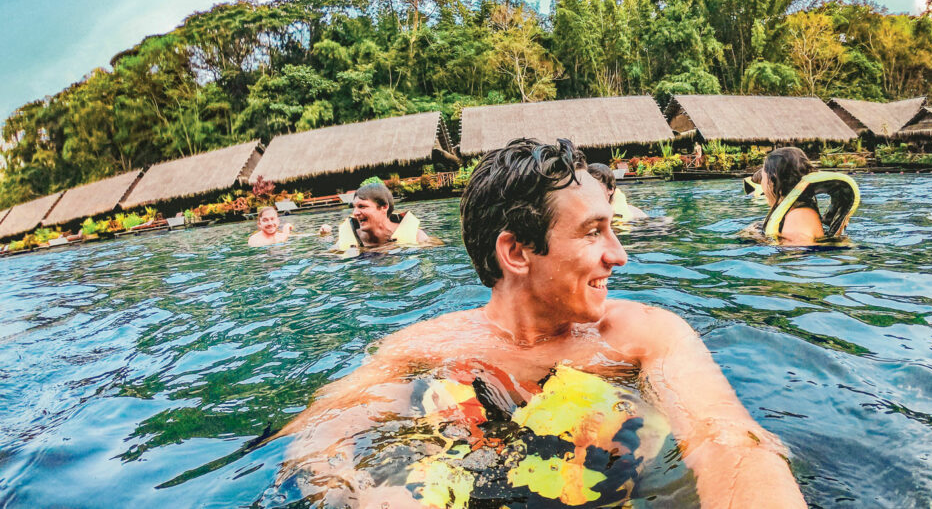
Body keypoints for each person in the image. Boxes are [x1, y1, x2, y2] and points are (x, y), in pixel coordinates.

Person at [276, 138, 806, 508]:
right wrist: (354, 490)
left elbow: (728, 441)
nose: (618, 256)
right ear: (518, 252)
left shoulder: (647, 335)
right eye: (594, 232)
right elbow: (315, 437)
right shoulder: (424, 346)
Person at [760, 147, 859, 245]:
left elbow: (797, 254)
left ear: (773, 181)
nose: (761, 183)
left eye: (763, 177)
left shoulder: (798, 216)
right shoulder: (796, 212)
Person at [319, 183, 429, 248]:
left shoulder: (418, 237)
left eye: (362, 206)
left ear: (384, 207)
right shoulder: (348, 240)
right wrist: (325, 238)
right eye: (354, 207)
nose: (355, 213)